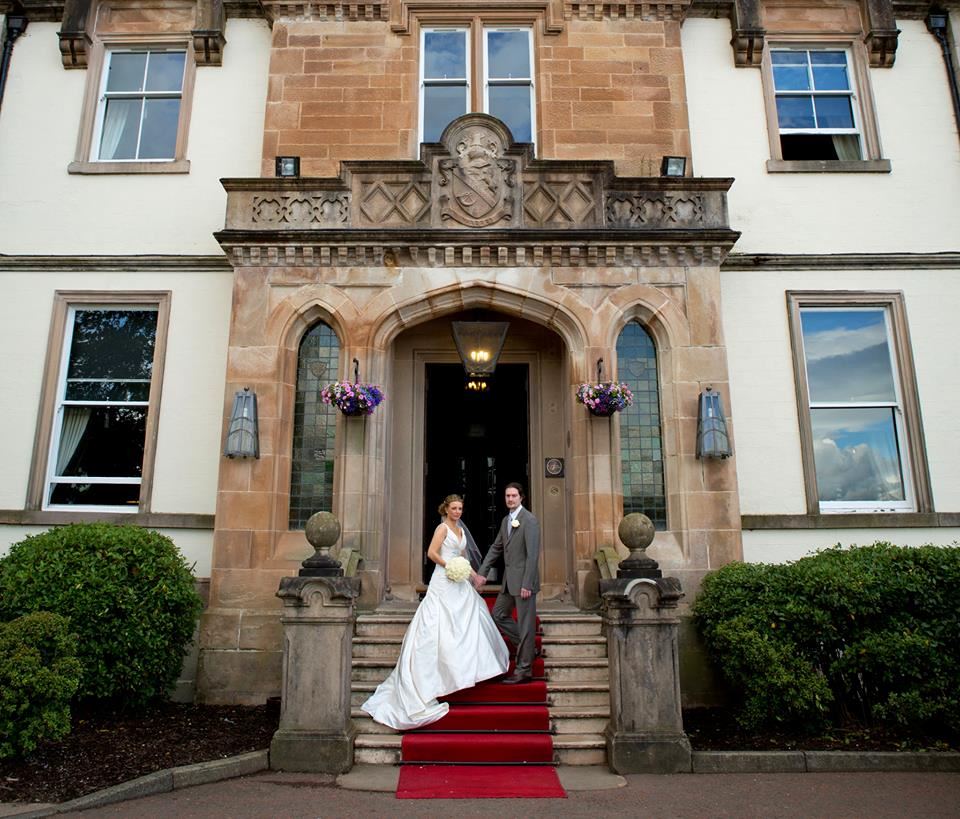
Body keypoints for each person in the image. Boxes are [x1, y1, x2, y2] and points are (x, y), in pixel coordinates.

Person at [361, 494, 509, 730]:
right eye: (454, 508)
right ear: (446, 509)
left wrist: (474, 576)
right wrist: (449, 565)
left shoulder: (460, 530)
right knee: (438, 623)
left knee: (470, 616)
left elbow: (463, 558)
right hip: (443, 581)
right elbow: (432, 553)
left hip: (458, 581)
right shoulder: (442, 529)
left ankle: (466, 670)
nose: (457, 512)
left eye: (460, 508)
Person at [475, 482, 540, 684]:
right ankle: (527, 647)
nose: (510, 499)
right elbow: (496, 548)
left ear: (521, 497)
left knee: (526, 625)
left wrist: (527, 583)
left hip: (524, 584)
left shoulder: (529, 520)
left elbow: (532, 555)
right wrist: (482, 573)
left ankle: (524, 670)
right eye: (507, 496)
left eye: (514, 496)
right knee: (498, 614)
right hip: (508, 581)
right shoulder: (506, 521)